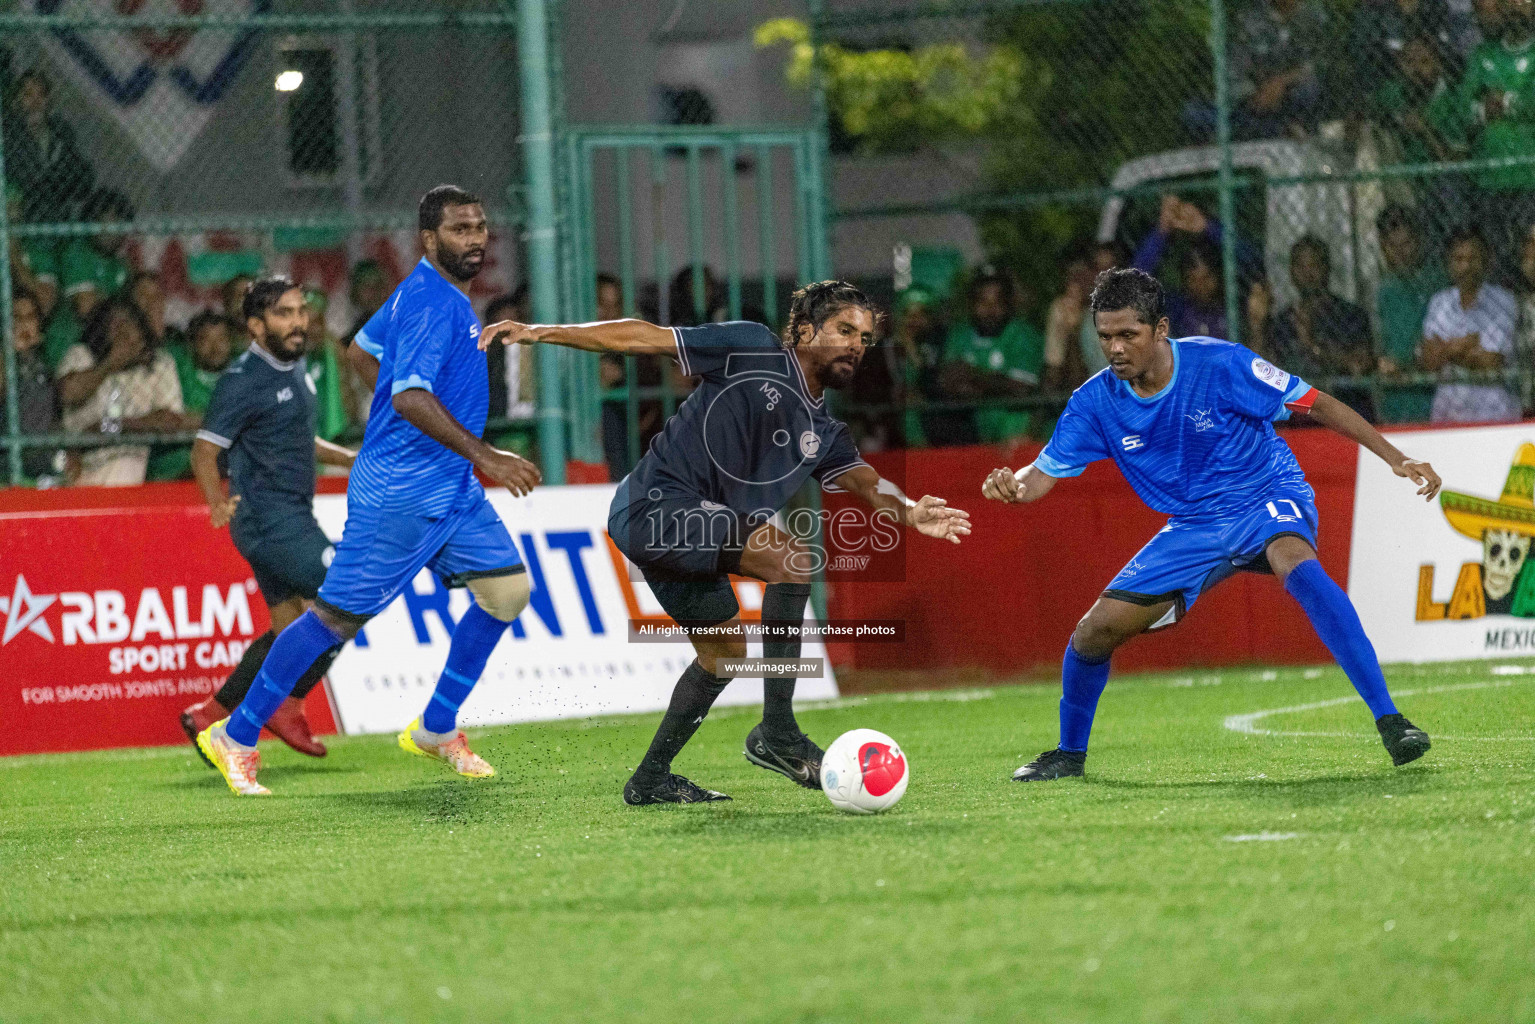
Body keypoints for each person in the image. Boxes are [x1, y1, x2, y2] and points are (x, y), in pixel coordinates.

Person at [487, 283, 969, 805]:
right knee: (792, 560)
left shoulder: (826, 431)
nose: (856, 345)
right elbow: (645, 338)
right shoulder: (754, 347)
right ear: (806, 330)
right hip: (653, 507)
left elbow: (867, 483)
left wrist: (910, 510)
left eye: (865, 338)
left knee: (723, 655)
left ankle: (650, 780)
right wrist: (543, 333)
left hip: (689, 529)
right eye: (845, 331)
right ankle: (778, 734)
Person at [982, 268, 1439, 782]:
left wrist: (1394, 457)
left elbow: (1316, 403)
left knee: (1297, 564)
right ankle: (1068, 754)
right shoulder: (1094, 401)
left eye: (1127, 334)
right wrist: (1013, 485)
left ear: (1160, 329)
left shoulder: (1220, 362)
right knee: (1092, 634)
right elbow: (1041, 474)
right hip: (1194, 526)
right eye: (1104, 335)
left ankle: (1391, 721)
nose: (1114, 348)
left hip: (1265, 492)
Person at [194, 186, 541, 797]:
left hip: (449, 486)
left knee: (508, 590)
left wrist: (415, 425)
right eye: (461, 229)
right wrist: (486, 454)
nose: (477, 238)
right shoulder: (434, 304)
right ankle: (237, 732)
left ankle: (436, 727)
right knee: (332, 619)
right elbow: (409, 395)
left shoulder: (420, 291)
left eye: (481, 227)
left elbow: (360, 351)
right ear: (430, 240)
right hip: (400, 490)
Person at [178, 277, 358, 760]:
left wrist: (352, 460)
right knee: (349, 600)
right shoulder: (243, 380)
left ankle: (211, 713)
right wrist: (216, 502)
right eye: (284, 313)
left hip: (286, 516)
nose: (298, 321)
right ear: (256, 326)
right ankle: (288, 706)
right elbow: (203, 451)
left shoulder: (295, 367)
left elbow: (301, 441)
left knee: (290, 630)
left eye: (301, 310)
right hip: (270, 521)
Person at [55, 296, 192, 486]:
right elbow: (68, 394)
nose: (124, 332)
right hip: (81, 465)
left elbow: (169, 420)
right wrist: (111, 363)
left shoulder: (158, 363)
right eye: (115, 324)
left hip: (132, 464)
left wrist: (111, 427)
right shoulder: (82, 355)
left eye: (130, 323)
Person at [1252, 235, 1376, 419]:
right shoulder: (1283, 321)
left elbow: (1359, 365)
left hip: (1345, 418)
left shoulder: (1350, 315)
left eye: (1314, 265)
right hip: (1296, 422)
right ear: (1291, 272)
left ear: (1327, 269)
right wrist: (1257, 324)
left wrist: (1312, 346)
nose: (1307, 274)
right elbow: (1261, 373)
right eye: (1300, 266)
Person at [1456, 0, 1535, 269]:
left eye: (1524, 2)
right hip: (1488, 180)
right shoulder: (1483, 55)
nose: (1517, 7)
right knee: (1496, 264)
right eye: (1510, 1)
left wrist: (1502, 103)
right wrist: (1499, 107)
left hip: (1529, 178)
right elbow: (1463, 110)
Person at [1186, 0, 1335, 140]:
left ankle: (1286, 128)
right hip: (1252, 101)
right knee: (1194, 114)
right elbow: (1235, 68)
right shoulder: (1250, 19)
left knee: (1308, 90)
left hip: (1289, 96)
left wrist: (1281, 82)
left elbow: (1319, 63)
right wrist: (1253, 93)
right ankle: (1276, 130)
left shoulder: (1315, 18)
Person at [1421, 225, 1521, 421]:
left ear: (1486, 262)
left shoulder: (1503, 301)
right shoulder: (1439, 302)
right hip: (1448, 413)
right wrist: (1465, 346)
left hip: (1493, 413)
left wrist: (1447, 349)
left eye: (1473, 259)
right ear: (1449, 263)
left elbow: (1492, 363)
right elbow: (1429, 361)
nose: (1466, 267)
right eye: (1459, 259)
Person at [939, 268, 1045, 443]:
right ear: (971, 304)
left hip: (1016, 434)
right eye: (983, 302)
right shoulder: (959, 334)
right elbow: (948, 382)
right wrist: (996, 384)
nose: (990, 310)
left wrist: (973, 375)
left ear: (1008, 304)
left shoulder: (1023, 334)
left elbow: (1022, 388)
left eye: (998, 302)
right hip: (972, 435)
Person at [44, 188, 134, 368]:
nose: (111, 233)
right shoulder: (77, 252)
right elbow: (88, 309)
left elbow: (133, 312)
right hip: (68, 346)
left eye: (118, 224)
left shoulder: (121, 265)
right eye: (105, 222)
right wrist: (117, 305)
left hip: (105, 348)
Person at [1375, 205, 1447, 422]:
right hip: (1394, 400)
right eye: (1391, 245)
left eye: (1406, 244)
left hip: (1433, 398)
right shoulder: (1382, 291)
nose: (1399, 253)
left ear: (1419, 243)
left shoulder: (1438, 284)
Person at [149, 310, 234, 481]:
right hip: (173, 469)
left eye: (221, 339)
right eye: (205, 339)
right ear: (192, 343)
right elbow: (169, 419)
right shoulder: (176, 368)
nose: (215, 347)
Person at [3, 69, 95, 223]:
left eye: (42, 94)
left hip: (56, 216)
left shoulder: (62, 134)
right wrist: (57, 181)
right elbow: (20, 176)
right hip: (20, 215)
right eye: (28, 95)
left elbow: (84, 179)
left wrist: (51, 183)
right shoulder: (8, 135)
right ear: (16, 100)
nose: (36, 101)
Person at [0, 289, 66, 481]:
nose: (23, 324)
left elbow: (53, 416)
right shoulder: (3, 359)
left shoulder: (42, 365)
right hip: (8, 464)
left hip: (44, 463)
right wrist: (8, 350)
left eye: (30, 317)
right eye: (16, 317)